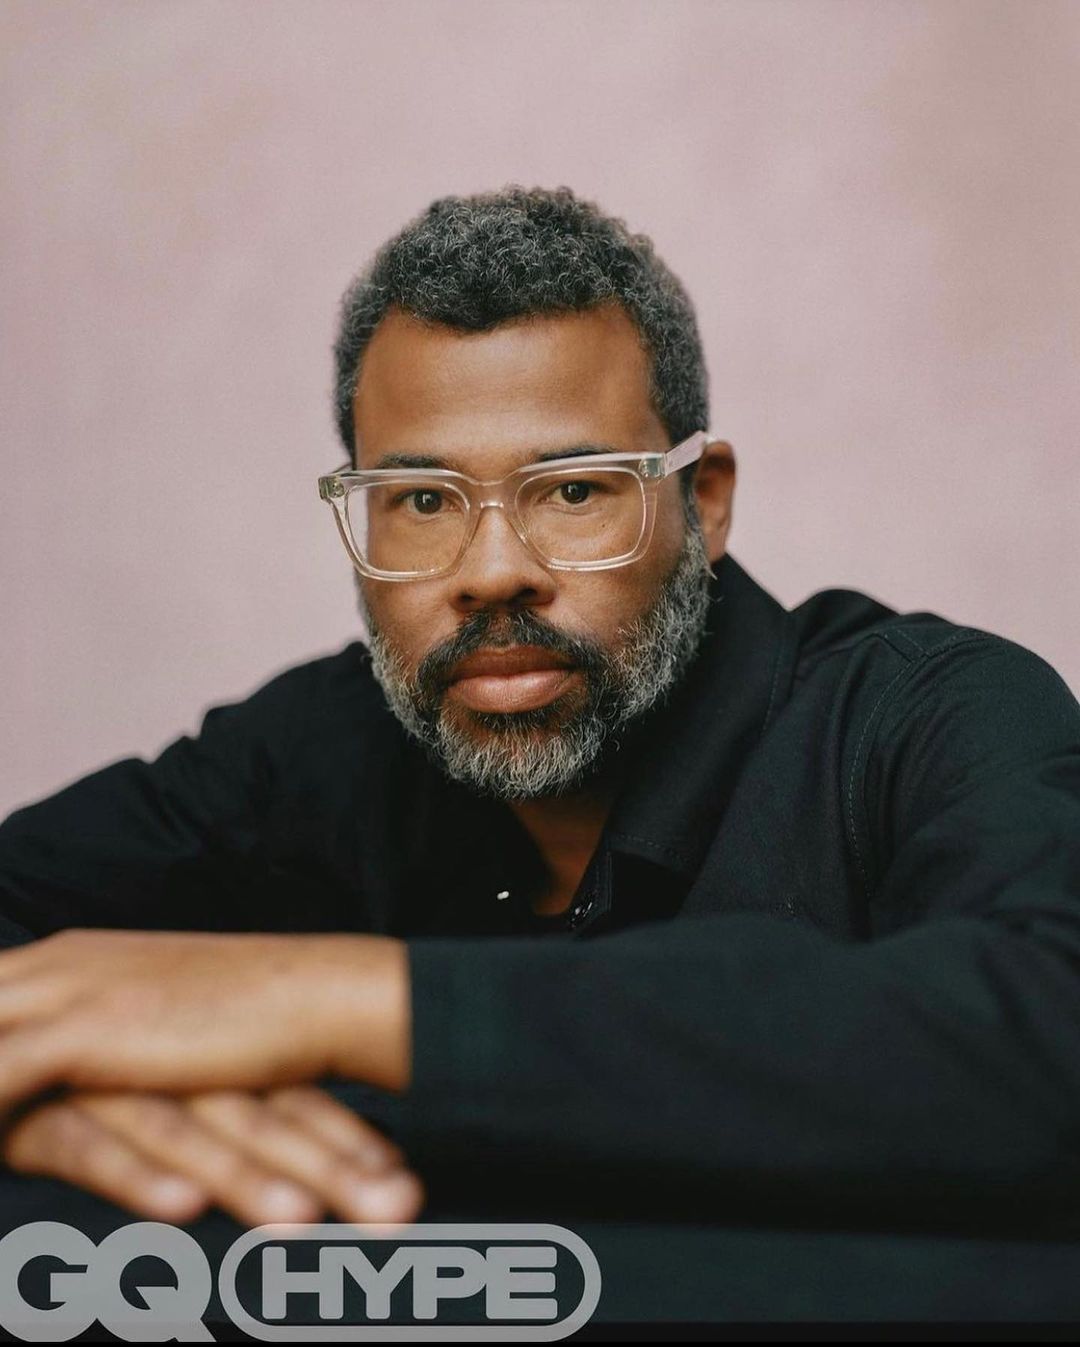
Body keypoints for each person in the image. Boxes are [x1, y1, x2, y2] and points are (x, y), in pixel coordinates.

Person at [1, 185, 1079, 1241]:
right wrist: (52, 1111)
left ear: (703, 503)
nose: (492, 572)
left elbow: (1044, 1038)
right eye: (423, 501)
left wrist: (339, 1003)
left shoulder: (925, 714)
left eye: (573, 489)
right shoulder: (318, 748)